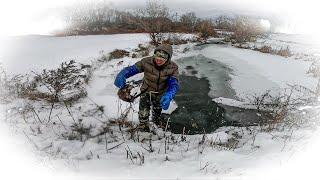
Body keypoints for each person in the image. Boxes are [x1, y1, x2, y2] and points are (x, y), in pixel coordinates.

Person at [114, 44, 179, 131]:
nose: (159, 59)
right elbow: (133, 69)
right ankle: (144, 127)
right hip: (146, 92)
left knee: (157, 111)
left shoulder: (173, 67)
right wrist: (123, 73)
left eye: (163, 57)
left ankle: (156, 121)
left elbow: (173, 84)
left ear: (168, 58)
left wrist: (169, 95)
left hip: (161, 94)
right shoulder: (146, 62)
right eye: (157, 55)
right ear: (154, 54)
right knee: (143, 113)